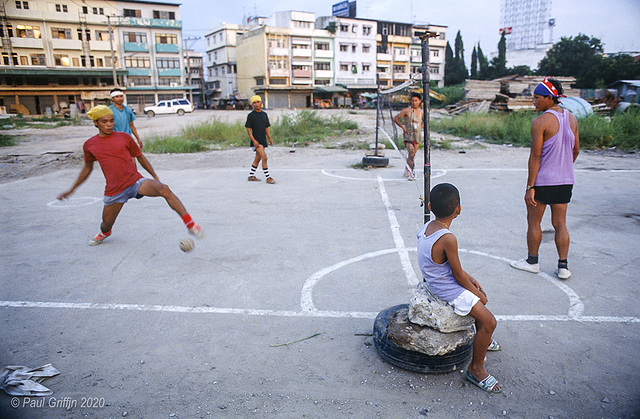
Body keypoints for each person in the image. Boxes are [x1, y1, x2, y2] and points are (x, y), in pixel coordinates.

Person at [57, 105, 202, 246]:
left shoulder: (124, 137)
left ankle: (190, 224)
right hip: (114, 190)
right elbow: (87, 168)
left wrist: (155, 177)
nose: (109, 125)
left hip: (135, 182)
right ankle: (105, 233)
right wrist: (72, 190)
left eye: (111, 121)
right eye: (104, 121)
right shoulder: (90, 145)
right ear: (95, 123)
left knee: (164, 189)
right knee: (106, 224)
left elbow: (140, 157)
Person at [417, 183, 502, 393]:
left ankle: (483, 341)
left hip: (437, 280)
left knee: (475, 295)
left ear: (429, 206)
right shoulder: (448, 238)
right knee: (489, 321)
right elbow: (456, 275)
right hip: (446, 289)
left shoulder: (427, 227)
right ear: (459, 209)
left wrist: (470, 279)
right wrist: (478, 295)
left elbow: (451, 267)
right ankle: (476, 369)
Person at [510, 78, 579, 279]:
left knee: (533, 221)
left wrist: (530, 186)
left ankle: (532, 262)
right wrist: (563, 166)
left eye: (537, 98)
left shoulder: (540, 122)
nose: (534, 102)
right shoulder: (572, 118)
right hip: (565, 181)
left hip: (543, 181)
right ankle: (563, 267)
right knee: (560, 224)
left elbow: (536, 156)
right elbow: (575, 150)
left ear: (550, 98)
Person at [245, 95, 275, 184]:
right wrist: (253, 140)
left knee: (258, 158)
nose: (256, 104)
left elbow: (266, 128)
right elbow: (248, 129)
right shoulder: (251, 115)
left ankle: (251, 176)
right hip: (256, 141)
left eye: (258, 102)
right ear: (252, 104)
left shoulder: (264, 114)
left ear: (261, 103)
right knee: (264, 158)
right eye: (254, 102)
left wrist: (269, 138)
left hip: (263, 139)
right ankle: (268, 177)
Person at [393, 92, 423, 179]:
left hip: (417, 136)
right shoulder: (406, 111)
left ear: (420, 101)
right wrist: (403, 127)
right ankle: (412, 172)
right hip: (408, 135)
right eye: (412, 101)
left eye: (416, 101)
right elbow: (396, 118)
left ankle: (406, 169)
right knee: (411, 154)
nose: (414, 102)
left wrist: (420, 127)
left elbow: (425, 121)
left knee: (412, 154)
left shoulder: (421, 112)